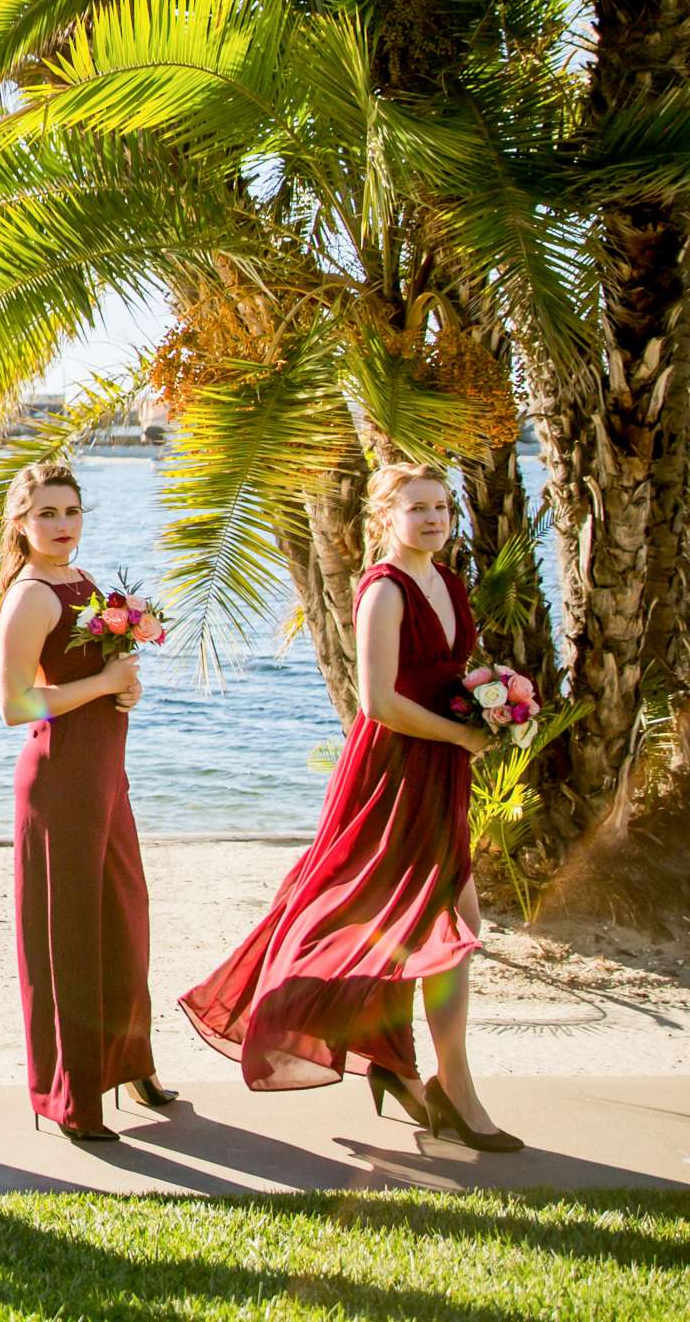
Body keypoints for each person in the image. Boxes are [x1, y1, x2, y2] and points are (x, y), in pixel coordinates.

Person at [181, 463, 519, 1151]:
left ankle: (399, 1065)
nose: (432, 518)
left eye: (440, 506)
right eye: (416, 507)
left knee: (435, 922)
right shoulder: (383, 591)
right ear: (384, 518)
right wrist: (463, 731)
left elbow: (453, 673)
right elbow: (380, 702)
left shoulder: (448, 582)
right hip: (393, 770)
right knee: (434, 922)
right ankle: (453, 1090)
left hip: (441, 770)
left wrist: (498, 704)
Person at [0, 462, 167, 1142]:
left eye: (71, 512)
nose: (62, 526)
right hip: (60, 780)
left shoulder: (85, 583)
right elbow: (14, 704)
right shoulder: (33, 595)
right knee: (69, 937)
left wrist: (124, 688)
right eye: (47, 515)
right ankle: (73, 1097)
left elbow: (95, 675)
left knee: (124, 919)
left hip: (104, 777)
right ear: (21, 523)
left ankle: (129, 1061)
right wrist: (102, 687)